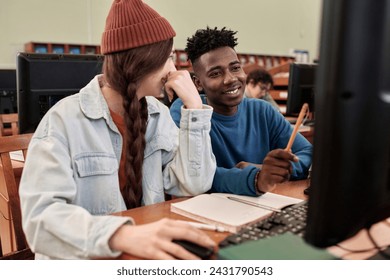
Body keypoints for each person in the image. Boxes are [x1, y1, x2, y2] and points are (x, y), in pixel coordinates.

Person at [19, 0, 216, 260]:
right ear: (141, 61)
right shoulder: (63, 120)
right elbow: (40, 220)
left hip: (138, 256)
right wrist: (121, 236)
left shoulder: (158, 115)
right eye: (169, 58)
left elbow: (194, 184)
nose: (174, 70)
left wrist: (194, 108)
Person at [170, 27, 312, 196]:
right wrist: (255, 178)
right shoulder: (188, 112)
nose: (231, 79)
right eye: (215, 73)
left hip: (259, 207)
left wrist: (271, 171)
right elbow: (194, 176)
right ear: (198, 83)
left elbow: (307, 153)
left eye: (235, 68)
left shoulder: (262, 111)